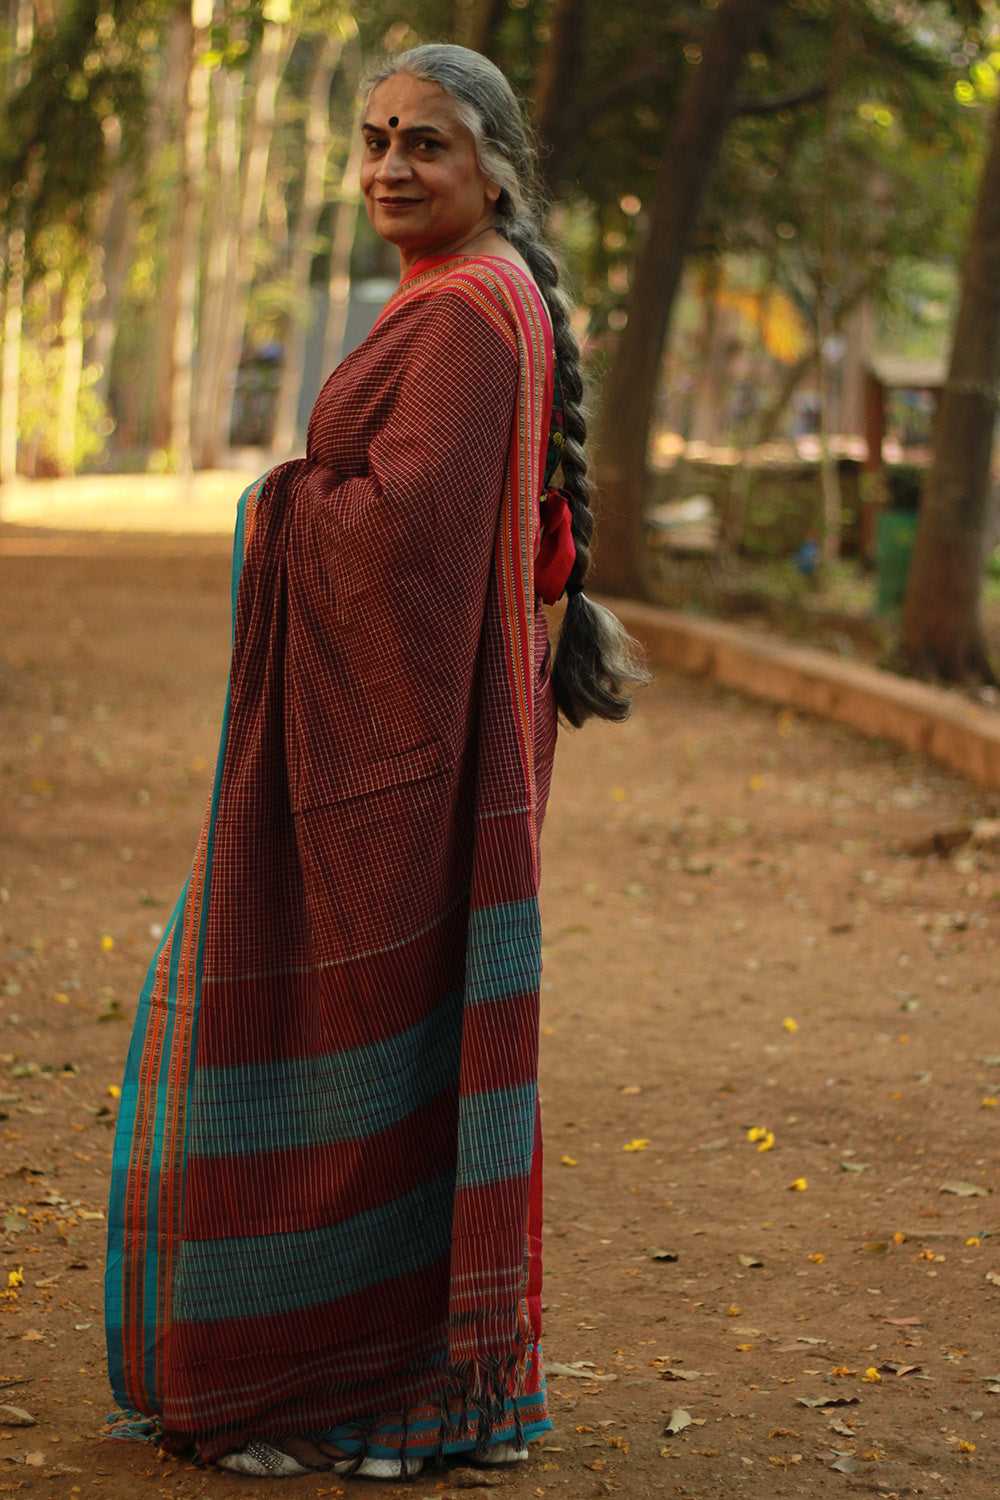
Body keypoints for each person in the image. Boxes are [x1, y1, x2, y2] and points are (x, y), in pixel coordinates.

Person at [105, 42, 645, 1483]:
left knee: (354, 1049)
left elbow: (404, 539)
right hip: (421, 739)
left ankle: (361, 1391)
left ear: (495, 172)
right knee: (387, 1045)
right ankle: (391, 1385)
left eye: (427, 143)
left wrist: (280, 504)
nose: (392, 165)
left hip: (401, 758)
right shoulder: (471, 294)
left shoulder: (465, 315)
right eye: (375, 139)